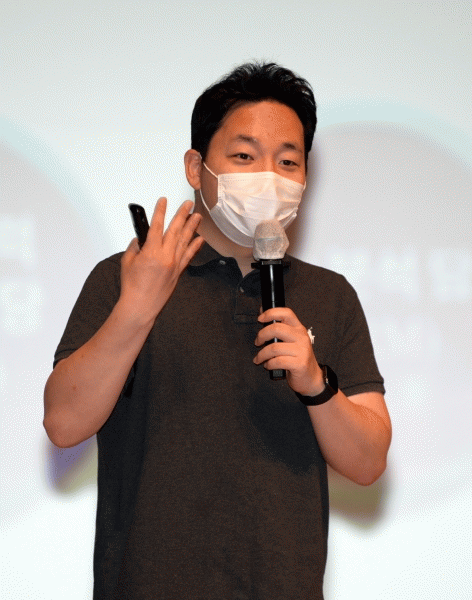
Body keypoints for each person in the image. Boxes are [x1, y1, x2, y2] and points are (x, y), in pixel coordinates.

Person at [44, 62, 391, 600]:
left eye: (288, 161)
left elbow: (368, 462)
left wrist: (316, 383)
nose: (268, 177)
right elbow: (63, 423)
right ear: (196, 166)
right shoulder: (126, 277)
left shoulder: (330, 294)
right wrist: (137, 308)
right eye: (244, 156)